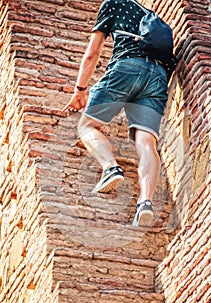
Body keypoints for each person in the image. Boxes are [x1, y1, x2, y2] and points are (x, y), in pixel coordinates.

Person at [62, 0, 169, 227]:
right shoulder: (149, 14)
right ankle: (145, 202)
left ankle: (111, 168)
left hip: (127, 67)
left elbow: (93, 53)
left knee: (87, 126)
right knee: (147, 143)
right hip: (158, 76)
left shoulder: (112, 3)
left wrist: (80, 90)